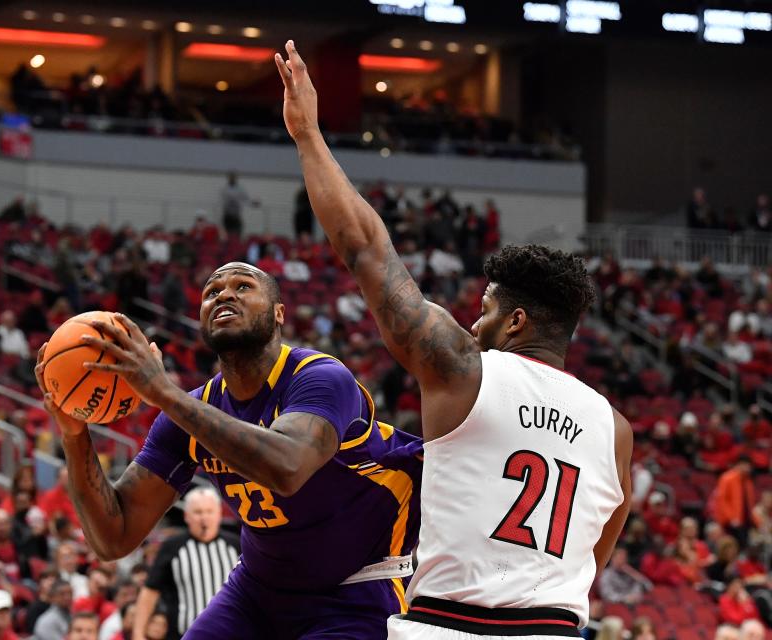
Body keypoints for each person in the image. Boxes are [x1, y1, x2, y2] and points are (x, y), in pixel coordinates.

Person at [274, 40, 632, 639]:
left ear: (515, 322)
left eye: (486, 309)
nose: (473, 323)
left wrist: (308, 135)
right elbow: (591, 558)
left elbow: (365, 248)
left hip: (448, 624)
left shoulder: (465, 368)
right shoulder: (615, 430)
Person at [35, 264, 423, 639]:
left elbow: (287, 467)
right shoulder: (187, 412)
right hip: (256, 593)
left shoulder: (320, 377)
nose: (223, 294)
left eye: (242, 286)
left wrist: (163, 393)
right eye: (211, 291)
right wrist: (74, 434)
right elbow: (113, 538)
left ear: (278, 314)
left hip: (353, 588)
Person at [134, 487, 240, 639]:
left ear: (219, 514)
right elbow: (150, 590)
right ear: (186, 516)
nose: (204, 517)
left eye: (209, 511)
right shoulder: (172, 547)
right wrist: (138, 634)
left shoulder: (235, 545)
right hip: (183, 634)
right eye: (198, 512)